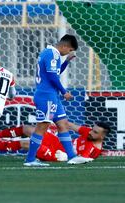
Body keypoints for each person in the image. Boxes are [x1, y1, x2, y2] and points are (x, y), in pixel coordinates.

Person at [24, 34, 93, 166]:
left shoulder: (50, 53)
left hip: (52, 95)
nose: (69, 52)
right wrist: (64, 91)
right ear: (64, 46)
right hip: (46, 95)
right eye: (70, 50)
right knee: (42, 127)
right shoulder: (52, 54)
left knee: (63, 124)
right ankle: (30, 159)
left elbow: (55, 73)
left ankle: (71, 156)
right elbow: (52, 77)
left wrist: (66, 61)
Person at [0, 121, 110, 162]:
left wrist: (67, 157)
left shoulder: (94, 149)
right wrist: (57, 120)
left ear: (102, 137)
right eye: (92, 129)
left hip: (59, 154)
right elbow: (69, 125)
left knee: (27, 143)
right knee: (28, 129)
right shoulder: (88, 133)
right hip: (59, 143)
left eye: (95, 132)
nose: (91, 132)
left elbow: (82, 160)